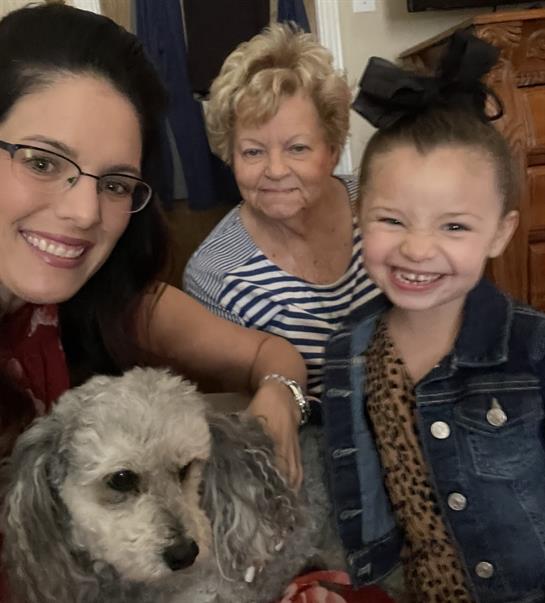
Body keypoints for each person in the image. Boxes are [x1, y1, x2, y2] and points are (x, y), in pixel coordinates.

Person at [0, 2, 308, 497]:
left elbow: (272, 353)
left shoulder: (108, 301)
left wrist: (281, 396)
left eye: (116, 184)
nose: (85, 212)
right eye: (42, 163)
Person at [321, 31, 545, 602]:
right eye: (392, 220)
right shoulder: (349, 351)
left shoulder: (532, 349)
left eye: (454, 226)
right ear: (359, 215)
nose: (418, 250)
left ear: (500, 233)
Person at [183, 23, 380, 398]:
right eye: (253, 151)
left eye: (297, 148)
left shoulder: (382, 204)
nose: (275, 170)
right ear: (230, 156)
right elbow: (251, 405)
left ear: (333, 150)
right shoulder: (214, 275)